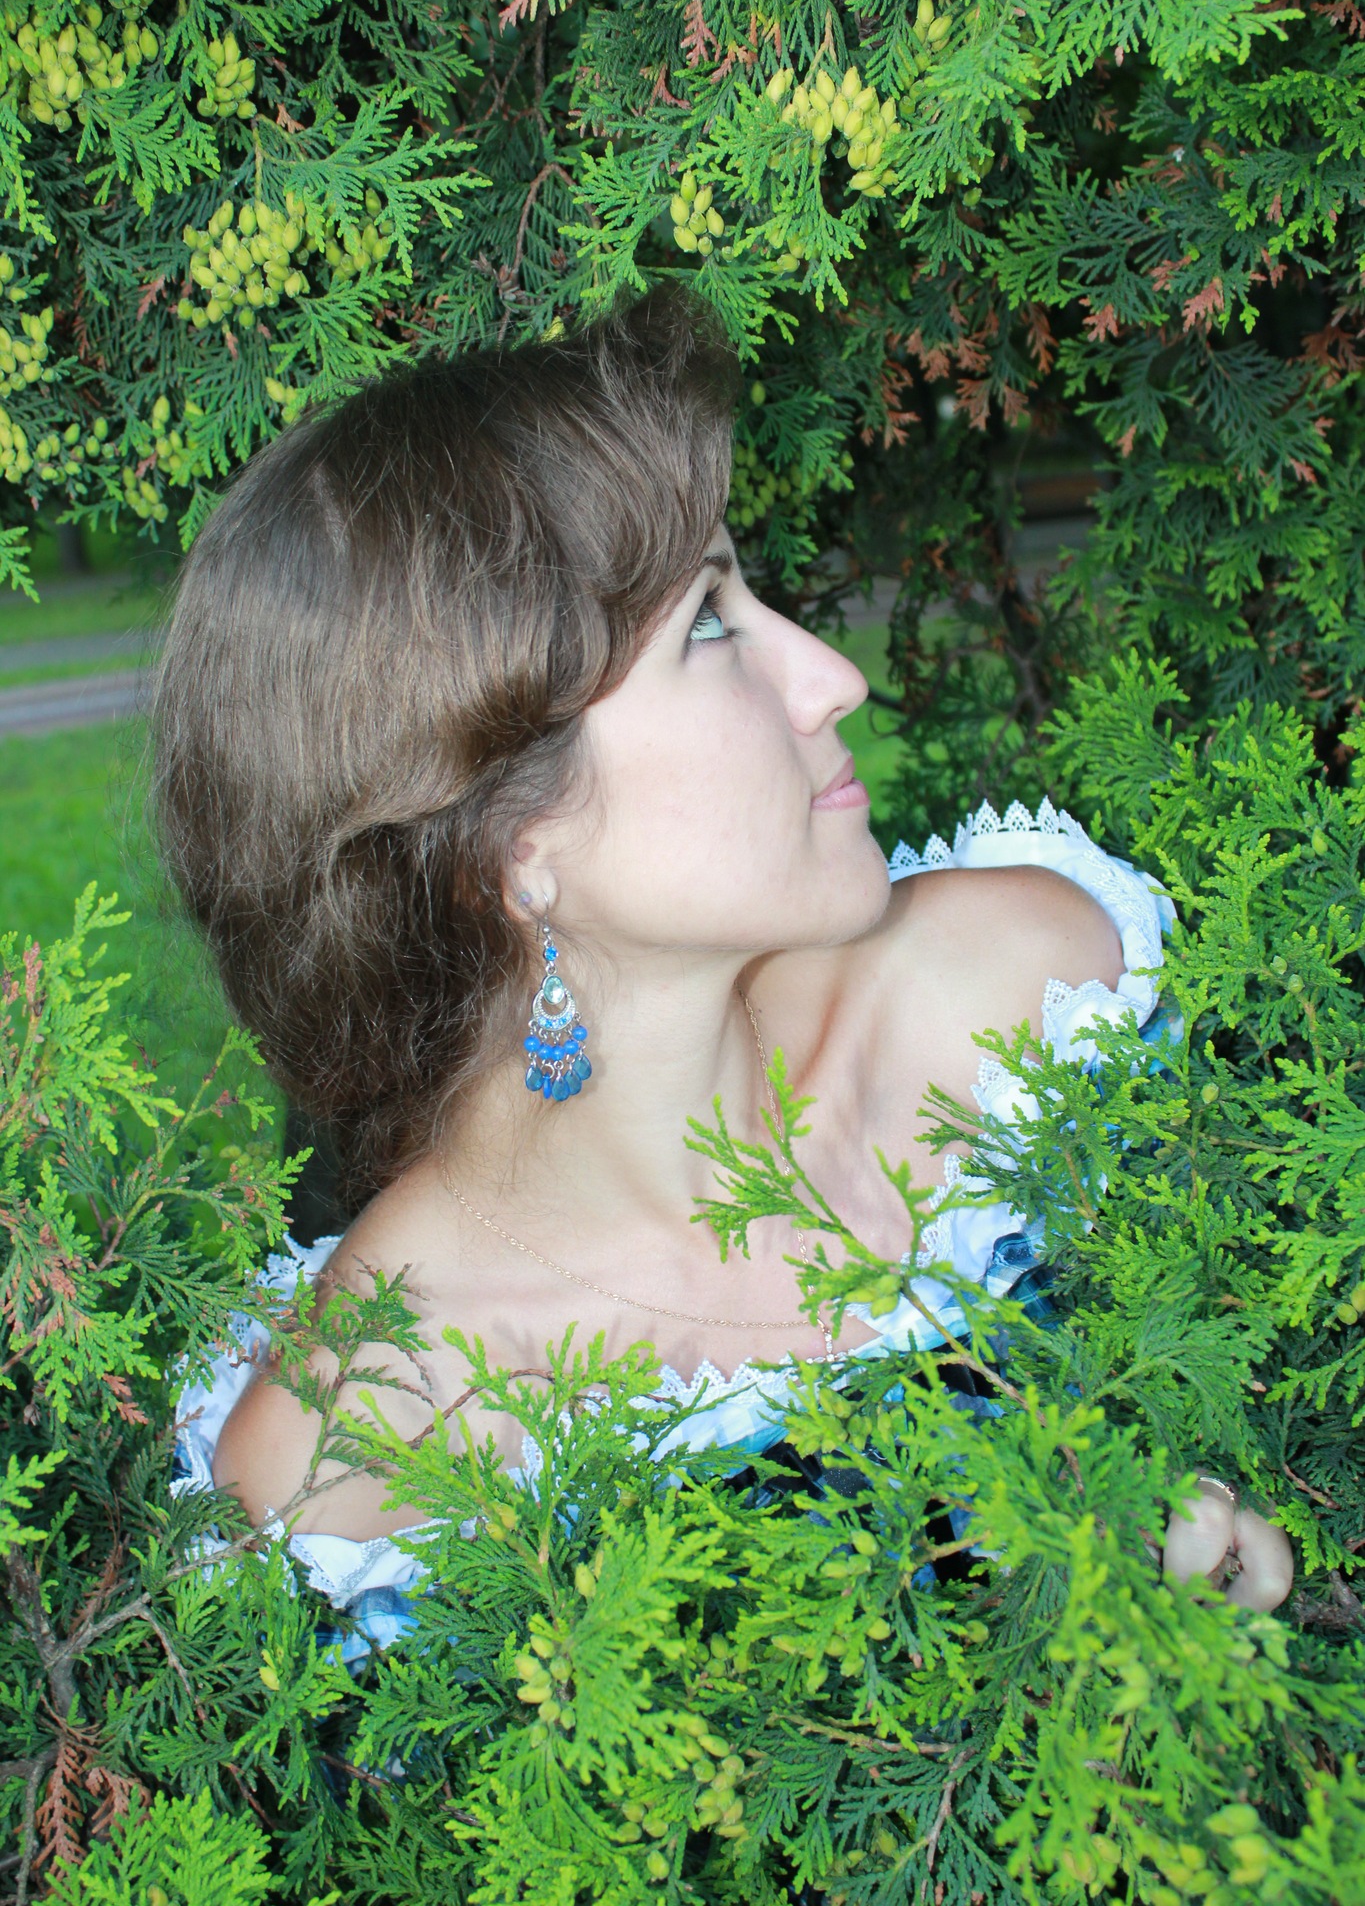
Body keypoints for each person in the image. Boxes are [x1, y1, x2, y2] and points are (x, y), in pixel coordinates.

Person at [157, 287, 1293, 1634]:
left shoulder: (1022, 997)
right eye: (707, 624)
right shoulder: (365, 1456)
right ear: (511, 849)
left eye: (745, 590)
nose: (829, 677)